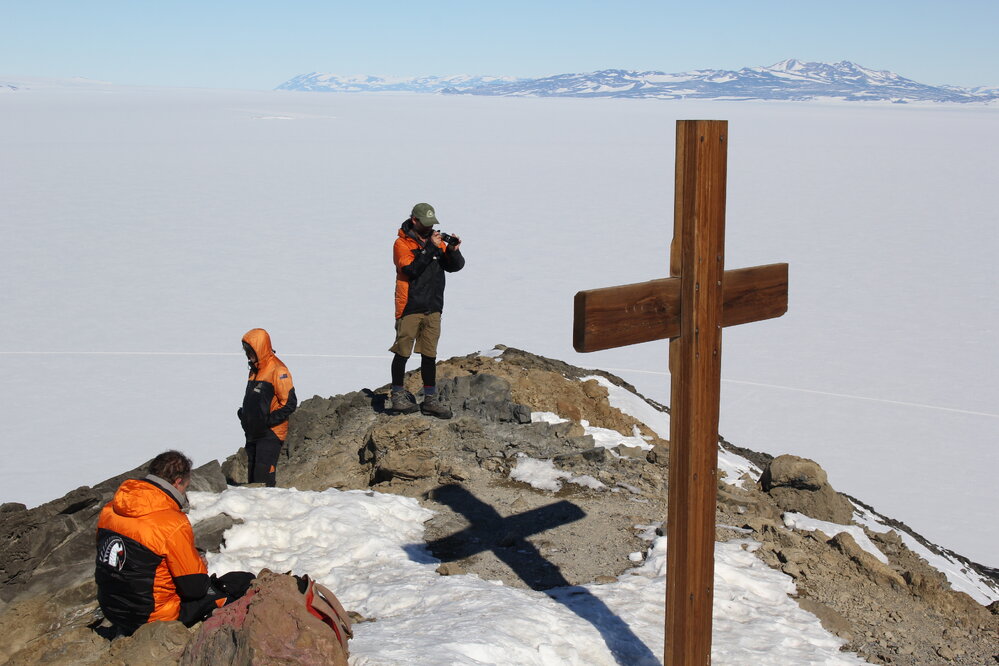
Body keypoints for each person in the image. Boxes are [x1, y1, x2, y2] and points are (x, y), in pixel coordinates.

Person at [95, 450, 252, 635]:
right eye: (186, 486)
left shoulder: (111, 510)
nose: (185, 492)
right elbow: (195, 588)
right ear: (178, 482)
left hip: (111, 609)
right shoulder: (171, 523)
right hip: (150, 618)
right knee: (241, 582)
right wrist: (199, 566)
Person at [390, 202, 465, 419]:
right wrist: (431, 247)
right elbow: (411, 269)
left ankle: (430, 400)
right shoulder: (401, 244)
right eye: (426, 223)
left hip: (433, 305)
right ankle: (397, 397)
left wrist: (452, 250)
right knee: (402, 351)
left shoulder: (436, 242)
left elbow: (454, 267)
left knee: (430, 354)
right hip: (410, 305)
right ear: (414, 220)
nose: (430, 227)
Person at [238, 328, 297, 487]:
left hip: (270, 433)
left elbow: (290, 403)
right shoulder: (255, 370)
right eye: (246, 351)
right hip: (254, 432)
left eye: (250, 351)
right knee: (252, 479)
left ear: (259, 349)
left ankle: (268, 510)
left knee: (263, 479)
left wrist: (268, 421)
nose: (247, 355)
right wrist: (244, 416)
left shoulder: (278, 370)